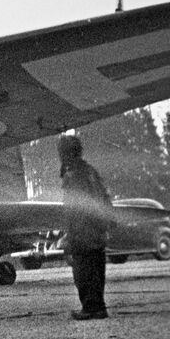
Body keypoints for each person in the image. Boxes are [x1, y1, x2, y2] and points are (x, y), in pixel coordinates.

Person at [59, 134, 113, 320]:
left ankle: (91, 307)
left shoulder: (73, 175)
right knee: (97, 269)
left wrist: (69, 234)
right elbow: (105, 198)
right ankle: (98, 306)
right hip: (98, 229)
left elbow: (72, 208)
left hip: (83, 231)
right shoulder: (90, 171)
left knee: (83, 271)